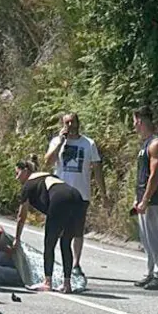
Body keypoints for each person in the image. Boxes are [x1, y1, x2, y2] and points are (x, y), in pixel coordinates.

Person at [42, 112, 105, 285]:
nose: (70, 126)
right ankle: (54, 264)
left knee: (77, 230)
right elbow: (48, 162)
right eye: (66, 123)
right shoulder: (57, 141)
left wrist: (103, 193)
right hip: (59, 193)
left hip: (81, 193)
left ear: (78, 123)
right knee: (57, 230)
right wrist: (60, 143)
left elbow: (97, 168)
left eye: (72, 122)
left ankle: (76, 263)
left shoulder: (88, 143)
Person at [13, 156, 86, 294]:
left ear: (26, 171)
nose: (17, 178)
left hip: (60, 199)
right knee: (66, 243)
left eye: (17, 173)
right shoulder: (49, 176)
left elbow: (21, 216)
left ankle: (47, 282)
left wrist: (17, 238)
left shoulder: (28, 185)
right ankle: (67, 284)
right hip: (76, 196)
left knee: (49, 243)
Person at [131, 106, 158, 291]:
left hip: (153, 199)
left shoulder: (156, 144)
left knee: (155, 237)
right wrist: (137, 198)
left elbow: (155, 175)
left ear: (139, 120)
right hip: (143, 197)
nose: (133, 126)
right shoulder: (145, 144)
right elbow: (142, 174)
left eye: (134, 121)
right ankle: (150, 273)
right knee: (146, 238)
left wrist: (146, 199)